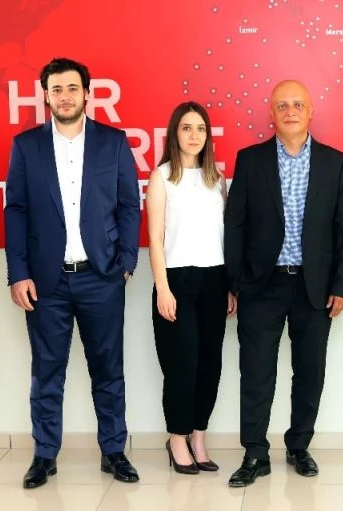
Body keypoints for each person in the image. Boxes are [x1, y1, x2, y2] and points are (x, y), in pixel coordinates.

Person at [4, 57, 141, 488]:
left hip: (101, 277)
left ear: (87, 94)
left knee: (108, 369)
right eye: (56, 89)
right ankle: (45, 455)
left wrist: (126, 262)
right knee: (47, 372)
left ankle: (114, 451)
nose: (64, 96)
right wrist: (18, 273)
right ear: (45, 95)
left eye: (72, 88)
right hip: (46, 282)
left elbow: (129, 205)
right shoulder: (26, 146)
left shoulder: (112, 142)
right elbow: (16, 210)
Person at [224, 79, 343, 487]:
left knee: (309, 371)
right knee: (256, 371)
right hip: (261, 286)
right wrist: (235, 282)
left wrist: (342, 285)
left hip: (314, 287)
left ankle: (299, 446)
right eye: (282, 105)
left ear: (310, 110)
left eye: (298, 103)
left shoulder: (335, 162)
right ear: (272, 113)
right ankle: (255, 453)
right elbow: (235, 224)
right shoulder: (251, 160)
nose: (290, 111)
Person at [147, 101, 236, 474]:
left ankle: (199, 436)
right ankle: (177, 438)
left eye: (201, 128)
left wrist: (230, 286)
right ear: (175, 133)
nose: (194, 135)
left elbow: (226, 237)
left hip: (215, 279)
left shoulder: (218, 179)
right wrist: (163, 288)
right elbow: (154, 239)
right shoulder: (162, 177)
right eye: (187, 128)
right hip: (177, 281)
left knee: (209, 364)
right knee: (181, 365)